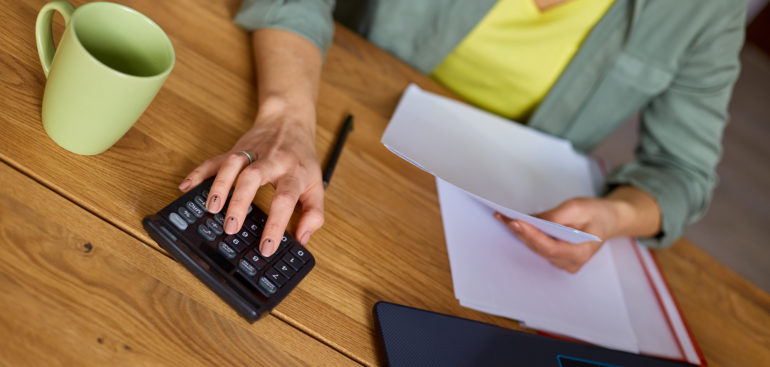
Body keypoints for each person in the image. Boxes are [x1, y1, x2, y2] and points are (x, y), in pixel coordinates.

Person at [178, 0, 746, 273]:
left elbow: (683, 172)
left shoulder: (708, 13)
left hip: (485, 223)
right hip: (333, 113)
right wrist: (289, 114)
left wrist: (616, 218)